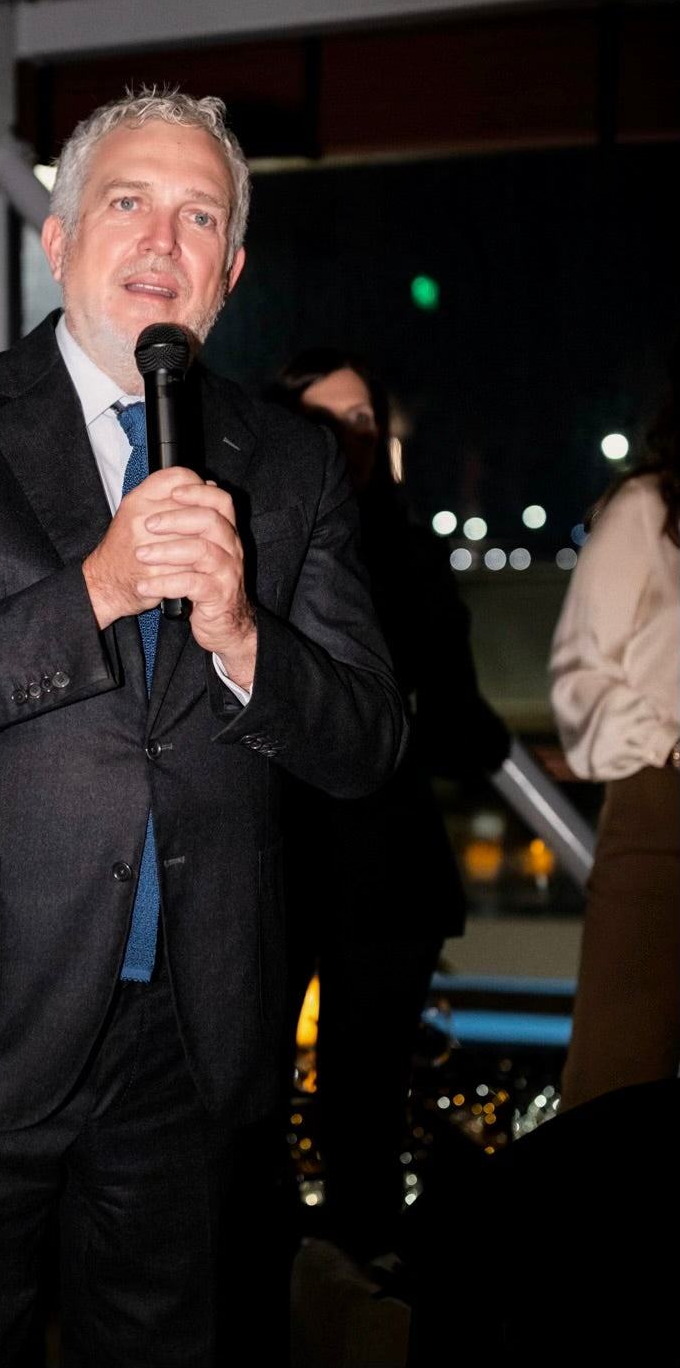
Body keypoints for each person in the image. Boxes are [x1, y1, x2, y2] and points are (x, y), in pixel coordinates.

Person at [0, 88, 406, 1368]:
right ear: (60, 237)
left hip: (190, 1047)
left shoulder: (292, 464)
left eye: (201, 217)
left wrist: (242, 634)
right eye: (128, 202)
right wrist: (92, 589)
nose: (162, 241)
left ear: (230, 272)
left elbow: (366, 740)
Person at [262, 346, 510, 1273]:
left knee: (363, 1109)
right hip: (273, 858)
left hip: (381, 869)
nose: (347, 438)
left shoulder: (405, 552)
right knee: (247, 1097)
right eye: (322, 420)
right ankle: (269, 1292)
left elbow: (459, 724)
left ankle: (353, 1304)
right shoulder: (253, 536)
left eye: (362, 419)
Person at [548, 363, 679, 1114]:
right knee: (618, 1075)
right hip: (661, 811)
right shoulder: (647, 509)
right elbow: (580, 678)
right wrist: (668, 743)